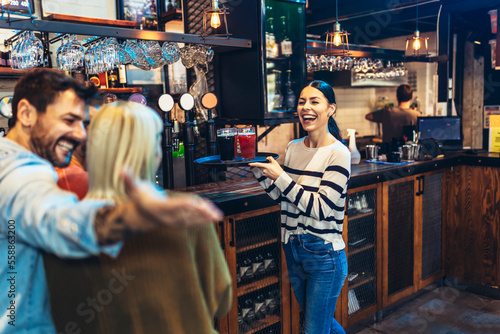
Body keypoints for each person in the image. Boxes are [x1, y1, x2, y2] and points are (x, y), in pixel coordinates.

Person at [0, 68, 222, 333]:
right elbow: (55, 218)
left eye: (82, 123)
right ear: (26, 114)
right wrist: (139, 216)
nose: (81, 135)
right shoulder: (19, 173)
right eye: (69, 120)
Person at [45, 101, 232, 333]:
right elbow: (222, 300)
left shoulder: (67, 230)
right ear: (151, 151)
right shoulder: (184, 212)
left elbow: (62, 317)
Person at [249, 80, 350, 334]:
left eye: (315, 101)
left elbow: (320, 208)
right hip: (292, 248)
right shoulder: (293, 148)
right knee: (320, 324)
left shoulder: (338, 153)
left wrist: (280, 177)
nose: (306, 107)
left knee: (313, 329)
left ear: (331, 109)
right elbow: (282, 197)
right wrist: (260, 170)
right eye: (302, 102)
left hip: (324, 254)